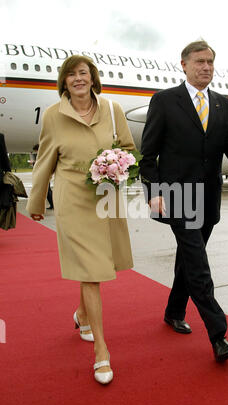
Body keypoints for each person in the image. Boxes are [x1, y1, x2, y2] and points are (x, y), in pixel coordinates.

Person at [140, 41, 228, 362]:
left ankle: (173, 311)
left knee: (189, 259)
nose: (205, 67)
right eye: (199, 61)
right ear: (183, 64)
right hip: (177, 197)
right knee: (198, 263)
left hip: (209, 197)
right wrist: (154, 194)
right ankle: (218, 335)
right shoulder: (165, 101)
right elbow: (148, 156)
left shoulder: (223, 104)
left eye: (210, 62)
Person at [27, 55, 136, 384]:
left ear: (93, 78)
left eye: (83, 73)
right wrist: (36, 200)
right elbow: (45, 159)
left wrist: (114, 163)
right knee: (91, 270)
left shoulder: (112, 110)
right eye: (71, 74)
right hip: (73, 197)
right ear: (64, 81)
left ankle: (81, 316)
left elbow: (128, 148)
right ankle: (101, 351)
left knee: (97, 266)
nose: (78, 79)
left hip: (105, 196)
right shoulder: (53, 116)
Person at [31, 144, 54, 209]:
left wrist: (34, 163)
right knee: (47, 191)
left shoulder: (42, 155)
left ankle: (53, 204)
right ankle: (53, 204)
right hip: (45, 175)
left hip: (44, 175)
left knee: (47, 191)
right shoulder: (44, 154)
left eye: (36, 151)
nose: (36, 152)